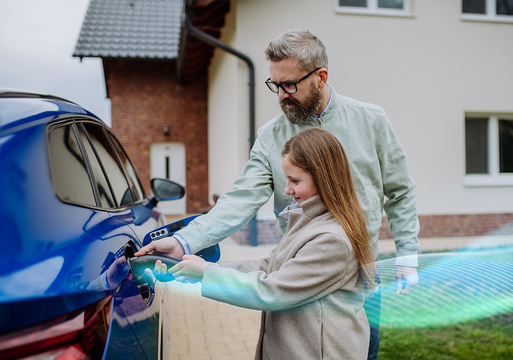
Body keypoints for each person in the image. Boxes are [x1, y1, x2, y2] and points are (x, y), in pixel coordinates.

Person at [135, 29, 420, 359]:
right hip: (295, 271)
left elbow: (399, 192)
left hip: (357, 278)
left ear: (321, 77)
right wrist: (186, 242)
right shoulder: (271, 137)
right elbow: (242, 198)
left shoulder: (371, 121)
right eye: (275, 85)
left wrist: (408, 255)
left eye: (289, 85)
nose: (281, 95)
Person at [171, 127, 378, 359]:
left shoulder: (332, 240)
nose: (287, 189)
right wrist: (213, 268)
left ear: (323, 178)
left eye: (295, 180)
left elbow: (273, 291)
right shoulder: (309, 219)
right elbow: (272, 266)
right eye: (286, 179)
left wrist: (207, 275)